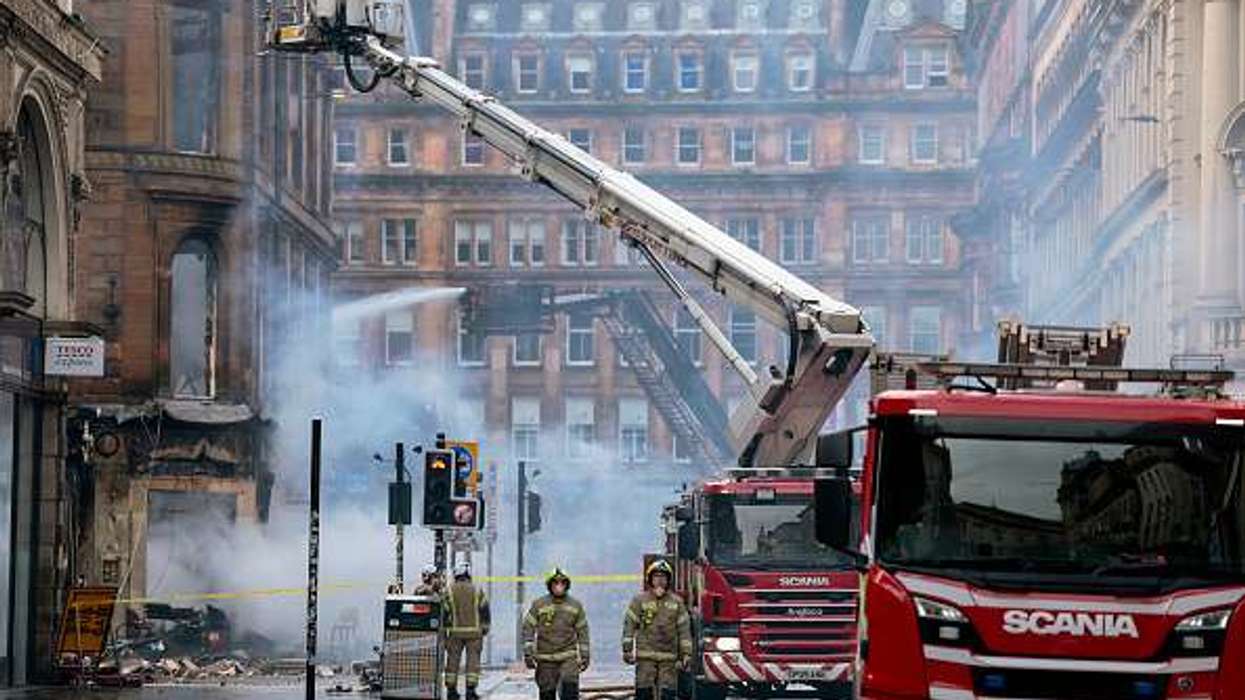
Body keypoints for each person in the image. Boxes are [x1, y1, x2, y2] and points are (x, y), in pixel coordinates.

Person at [621, 560, 692, 700]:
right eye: (656, 577)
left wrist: (686, 654)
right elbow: (629, 625)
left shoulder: (677, 603)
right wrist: (627, 649)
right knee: (644, 691)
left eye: (663, 577)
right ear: (650, 579)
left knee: (668, 692)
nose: (659, 580)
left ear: (668, 580)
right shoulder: (639, 601)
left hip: (668, 658)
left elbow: (684, 630)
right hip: (645, 657)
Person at [522, 568, 591, 700]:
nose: (559, 586)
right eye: (556, 583)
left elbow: (583, 631)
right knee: (547, 692)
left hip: (568, 656)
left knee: (570, 687)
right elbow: (528, 627)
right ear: (550, 585)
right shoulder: (539, 605)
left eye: (562, 583)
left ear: (567, 585)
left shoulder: (575, 606)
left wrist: (585, 655)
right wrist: (528, 652)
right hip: (545, 658)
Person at [442, 561, 490, 700]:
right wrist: (485, 628)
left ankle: (451, 691)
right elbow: (484, 610)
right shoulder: (477, 590)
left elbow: (444, 612)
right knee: (473, 662)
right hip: (474, 633)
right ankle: (470, 691)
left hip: (454, 633)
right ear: (468, 574)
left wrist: (445, 631)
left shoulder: (449, 591)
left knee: (452, 661)